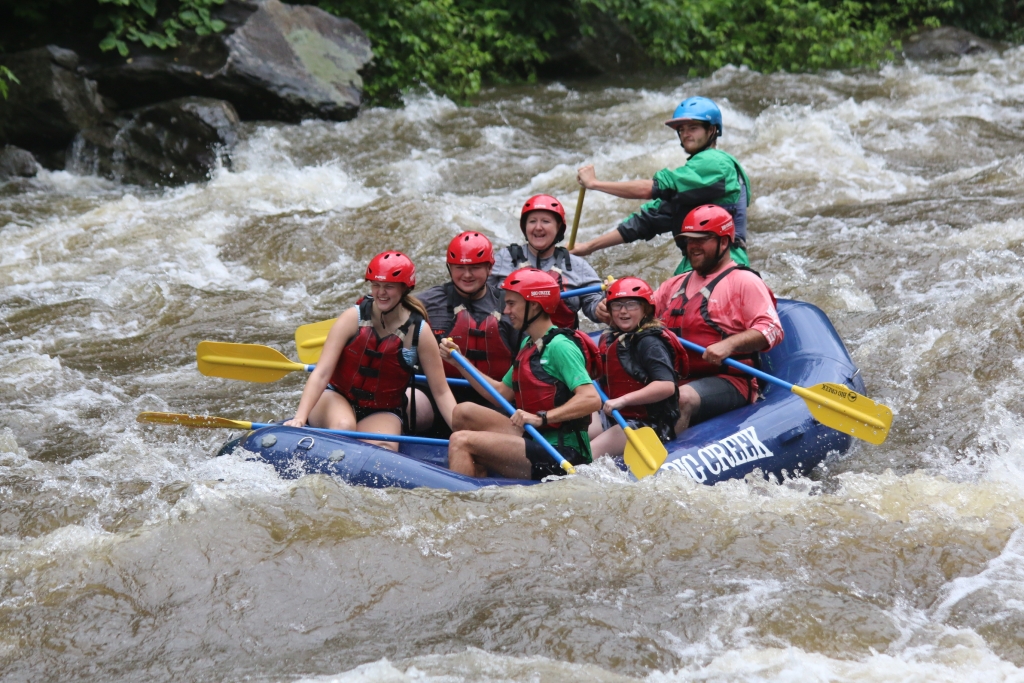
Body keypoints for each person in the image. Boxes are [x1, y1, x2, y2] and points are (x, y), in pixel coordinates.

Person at [284, 251, 456, 450]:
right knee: (344, 426)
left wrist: (459, 432)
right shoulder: (352, 318)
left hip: (383, 411)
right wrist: (300, 418)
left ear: (404, 288)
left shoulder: (419, 332)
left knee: (385, 449)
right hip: (335, 398)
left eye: (389, 287)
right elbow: (322, 373)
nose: (381, 292)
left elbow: (441, 391)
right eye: (376, 285)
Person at [441, 268, 602, 479]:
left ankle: (463, 499)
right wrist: (460, 362)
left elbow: (591, 399)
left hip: (562, 453)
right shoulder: (530, 343)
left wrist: (541, 418)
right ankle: (477, 475)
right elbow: (499, 392)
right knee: (463, 412)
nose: (506, 311)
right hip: (536, 437)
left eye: (511, 304)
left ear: (534, 305)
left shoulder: (560, 347)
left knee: (460, 441)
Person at [572, 96, 752, 276]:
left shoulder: (715, 162)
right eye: (681, 129)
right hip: (699, 264)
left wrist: (595, 184)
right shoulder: (692, 183)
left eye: (693, 128)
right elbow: (646, 221)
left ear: (712, 130)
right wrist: (588, 247)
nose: (685, 133)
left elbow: (650, 189)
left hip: (723, 264)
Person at [652, 205, 783, 434]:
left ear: (724, 242)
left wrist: (729, 344)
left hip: (729, 380)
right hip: (676, 378)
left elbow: (771, 329)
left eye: (701, 240)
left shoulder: (744, 282)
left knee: (680, 399)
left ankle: (670, 459)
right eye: (689, 241)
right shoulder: (674, 285)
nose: (693, 247)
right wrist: (611, 309)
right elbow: (642, 318)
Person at [409, 231, 517, 432]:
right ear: (450, 268)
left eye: (475, 268)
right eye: (460, 268)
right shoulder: (425, 303)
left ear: (490, 268)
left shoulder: (511, 305)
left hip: (495, 404)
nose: (467, 275)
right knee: (406, 399)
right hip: (436, 399)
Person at [590, 277, 687, 458]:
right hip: (613, 416)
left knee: (589, 454)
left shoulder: (650, 343)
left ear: (646, 309)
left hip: (647, 424)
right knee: (576, 440)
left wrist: (623, 400)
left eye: (632, 305)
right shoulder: (611, 337)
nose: (623, 311)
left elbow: (666, 386)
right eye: (617, 306)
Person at [489, 194, 606, 328]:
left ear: (558, 227)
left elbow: (594, 307)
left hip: (557, 345)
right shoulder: (504, 258)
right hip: (509, 342)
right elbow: (481, 297)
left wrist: (603, 306)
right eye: (532, 221)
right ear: (524, 227)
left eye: (545, 221)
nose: (538, 227)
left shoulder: (577, 266)